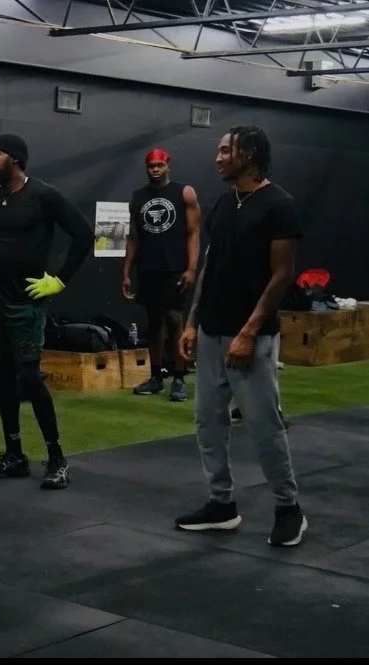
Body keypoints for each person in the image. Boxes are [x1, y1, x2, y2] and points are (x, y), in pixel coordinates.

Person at [175, 125, 306, 547]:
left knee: (264, 425)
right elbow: (210, 268)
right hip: (212, 332)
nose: (218, 158)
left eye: (225, 150)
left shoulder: (278, 205)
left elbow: (282, 275)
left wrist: (249, 332)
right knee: (208, 423)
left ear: (248, 153)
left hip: (251, 338)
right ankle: (221, 504)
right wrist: (192, 321)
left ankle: (289, 509)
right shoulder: (222, 204)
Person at [0, 133, 94, 490]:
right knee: (4, 376)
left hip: (26, 302)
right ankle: (14, 455)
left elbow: (83, 235)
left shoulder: (43, 195)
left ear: (16, 159)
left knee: (29, 377)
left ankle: (57, 460)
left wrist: (59, 280)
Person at [122, 149, 201, 402]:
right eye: (151, 166)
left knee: (175, 319)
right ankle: (156, 377)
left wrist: (191, 268)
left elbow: (193, 233)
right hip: (148, 268)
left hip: (174, 268)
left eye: (159, 165)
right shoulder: (138, 198)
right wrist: (126, 272)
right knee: (153, 324)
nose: (155, 170)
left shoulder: (183, 192)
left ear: (168, 166)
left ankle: (179, 378)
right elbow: (133, 237)